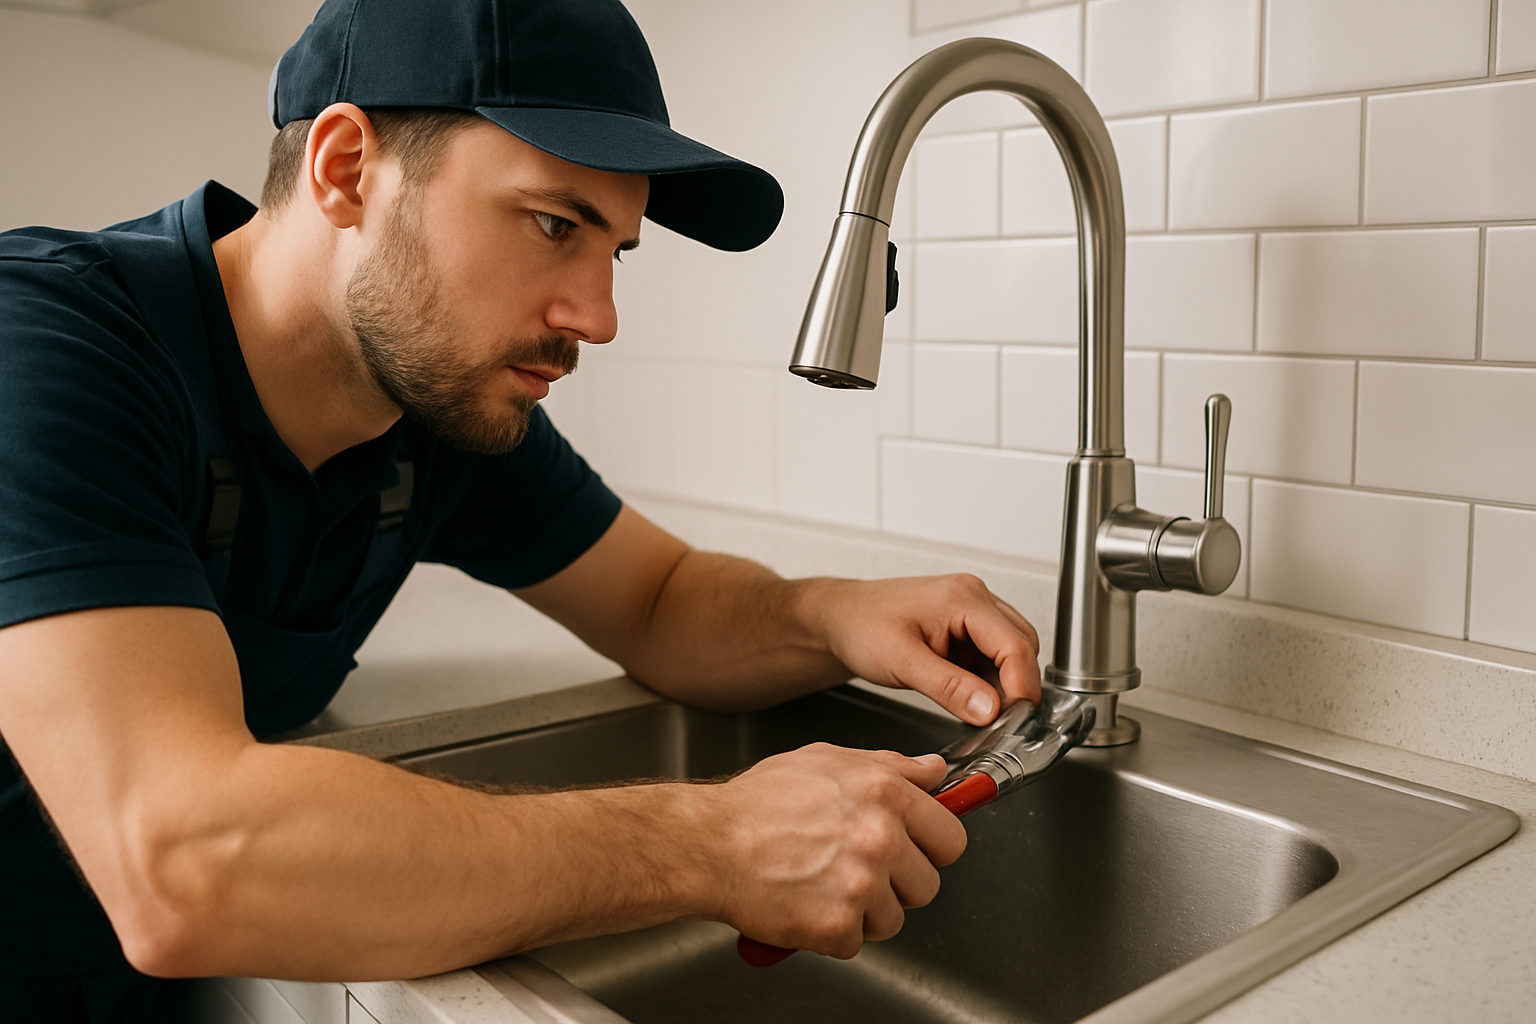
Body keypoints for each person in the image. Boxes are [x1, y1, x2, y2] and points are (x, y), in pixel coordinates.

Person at [0, 0, 1042, 1019]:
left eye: (616, 251)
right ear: (345, 169)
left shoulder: (432, 405)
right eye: (554, 224)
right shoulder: (48, 351)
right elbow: (183, 861)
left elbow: (661, 602)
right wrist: (717, 842)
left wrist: (834, 615)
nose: (598, 315)